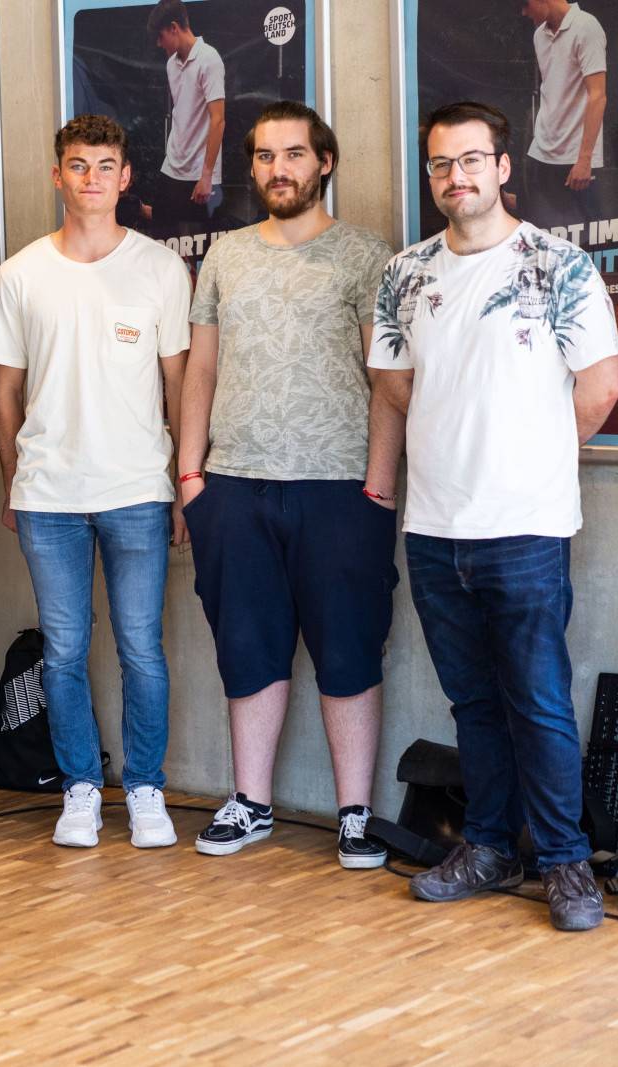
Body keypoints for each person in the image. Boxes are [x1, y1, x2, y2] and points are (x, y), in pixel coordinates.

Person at [370, 101, 618, 931]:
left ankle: (565, 863)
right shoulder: (405, 272)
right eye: (442, 164)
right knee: (473, 703)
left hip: (526, 527)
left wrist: (533, 458)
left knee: (539, 699)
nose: (457, 177)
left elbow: (602, 389)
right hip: (436, 529)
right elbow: (397, 387)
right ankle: (487, 845)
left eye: (472, 160)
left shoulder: (560, 266)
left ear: (504, 167)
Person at [177, 101, 398, 868]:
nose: (280, 169)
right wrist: (191, 476)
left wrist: (377, 482)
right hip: (234, 487)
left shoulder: (368, 257)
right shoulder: (225, 256)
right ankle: (251, 802)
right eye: (266, 156)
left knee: (349, 649)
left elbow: (388, 379)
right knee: (247, 647)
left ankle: (356, 814)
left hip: (340, 487)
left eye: (295, 154)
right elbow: (199, 368)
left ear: (324, 162)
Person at [0, 114, 190, 851]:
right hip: (47, 496)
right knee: (64, 650)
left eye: (106, 166)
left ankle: (145, 788)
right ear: (57, 174)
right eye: (78, 165)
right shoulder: (21, 272)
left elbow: (179, 385)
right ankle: (79, 788)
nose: (92, 179)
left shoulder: (161, 269)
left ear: (126, 177)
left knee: (141, 647)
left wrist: (180, 480)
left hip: (137, 490)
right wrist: (14, 478)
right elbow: (3, 391)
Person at [520, 0, 608, 232]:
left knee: (583, 234)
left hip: (575, 156)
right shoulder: (539, 35)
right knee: (535, 227)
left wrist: (585, 159)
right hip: (542, 149)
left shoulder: (586, 27)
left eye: (525, 4)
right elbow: (555, 88)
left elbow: (598, 96)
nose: (523, 12)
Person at [148, 0, 225, 234]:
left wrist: (206, 176)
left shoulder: (209, 59)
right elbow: (183, 111)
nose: (159, 44)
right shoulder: (171, 64)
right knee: (163, 230)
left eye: (160, 37)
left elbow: (218, 120)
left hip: (199, 171)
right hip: (173, 164)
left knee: (199, 241)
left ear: (174, 27)